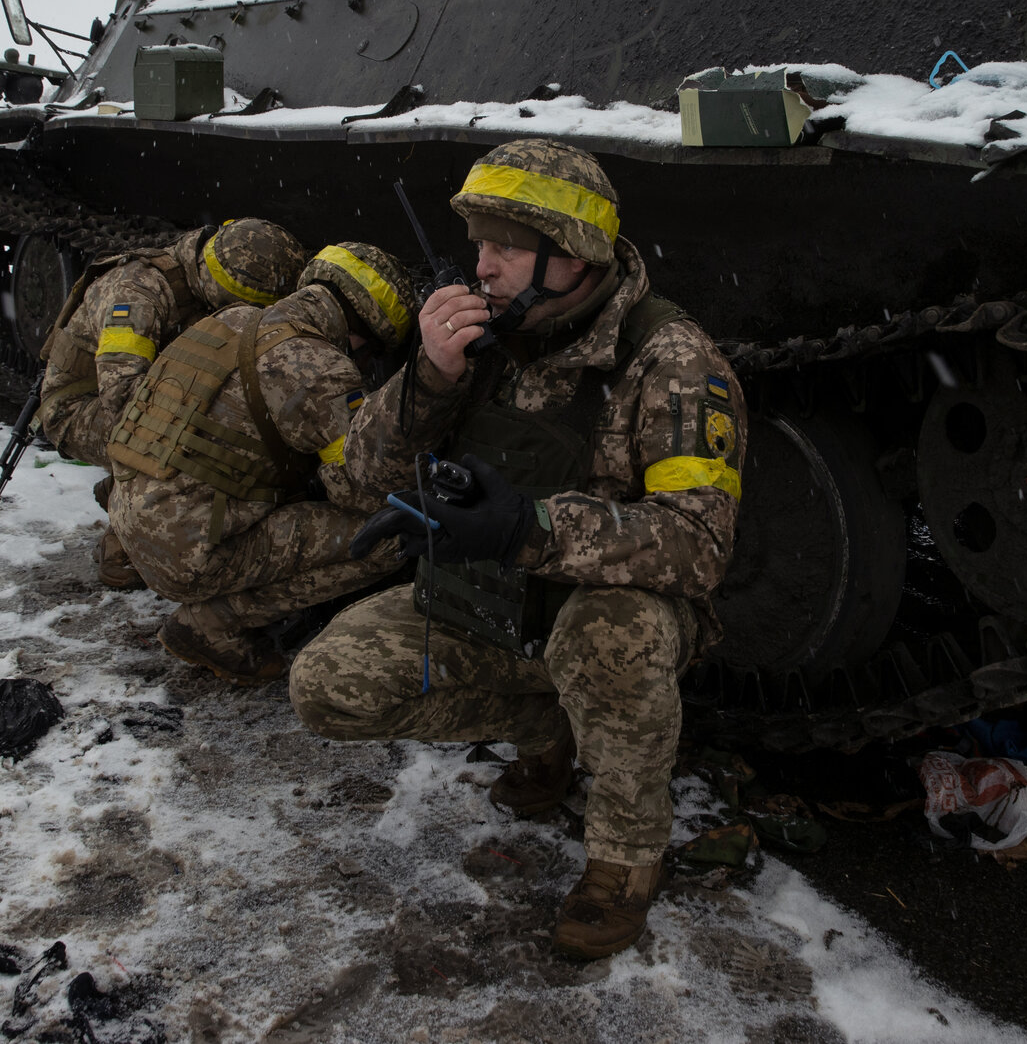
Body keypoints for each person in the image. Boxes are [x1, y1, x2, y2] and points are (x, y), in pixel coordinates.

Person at [289, 139, 747, 961]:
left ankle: (625, 854)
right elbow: (360, 479)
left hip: (604, 612)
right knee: (326, 686)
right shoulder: (488, 336)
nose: (482, 265)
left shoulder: (671, 362)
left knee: (609, 633)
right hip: (495, 603)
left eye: (503, 244)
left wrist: (527, 528)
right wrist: (429, 377)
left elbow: (699, 543)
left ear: (569, 255)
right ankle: (555, 728)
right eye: (477, 244)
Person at [106, 242, 421, 683]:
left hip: (130, 521)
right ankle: (213, 623)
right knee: (388, 537)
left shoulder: (230, 318)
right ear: (360, 332)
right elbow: (361, 492)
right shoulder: (318, 367)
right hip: (186, 556)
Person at [35, 218, 307, 587]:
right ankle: (126, 544)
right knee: (205, 447)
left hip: (150, 393)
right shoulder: (136, 295)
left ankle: (131, 494)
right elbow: (122, 399)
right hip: (80, 407)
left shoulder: (197, 270)